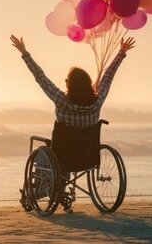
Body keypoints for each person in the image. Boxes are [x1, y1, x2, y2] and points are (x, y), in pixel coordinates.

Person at [11, 34, 134, 202]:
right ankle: (58, 188)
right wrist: (121, 53)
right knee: (63, 153)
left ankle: (42, 189)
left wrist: (25, 53)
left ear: (69, 85)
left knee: (39, 154)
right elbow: (108, 77)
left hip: (63, 156)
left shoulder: (61, 100)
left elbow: (41, 78)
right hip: (87, 157)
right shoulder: (97, 102)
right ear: (88, 84)